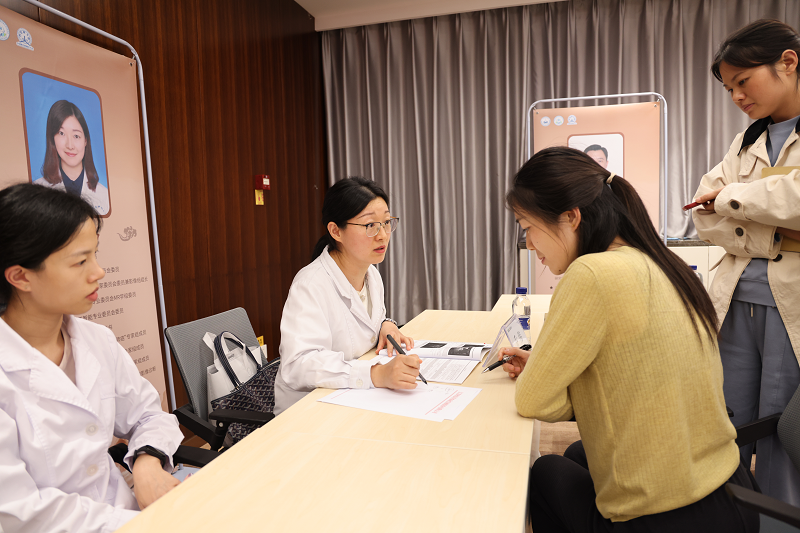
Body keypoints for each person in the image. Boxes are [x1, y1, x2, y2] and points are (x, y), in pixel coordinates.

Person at [497, 147, 758, 532]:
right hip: (733, 495)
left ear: (571, 217)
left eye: (527, 226)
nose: (530, 243)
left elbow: (534, 400)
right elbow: (631, 373)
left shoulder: (591, 273)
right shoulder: (662, 261)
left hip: (668, 518)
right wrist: (547, 368)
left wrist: (545, 376)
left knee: (546, 471)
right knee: (579, 453)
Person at [0, 183, 183, 533]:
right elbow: (21, 512)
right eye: (80, 261)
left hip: (127, 512)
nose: (98, 272)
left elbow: (148, 415)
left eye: (95, 255)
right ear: (20, 276)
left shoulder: (96, 340)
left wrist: (146, 462)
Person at [692, 19, 800, 506]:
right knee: (726, 424)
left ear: (788, 63)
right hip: (735, 300)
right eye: (729, 88)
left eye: (743, 81)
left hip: (790, 307)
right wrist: (780, 231)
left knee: (783, 433)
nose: (737, 96)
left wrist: (732, 200)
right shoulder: (746, 141)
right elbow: (704, 216)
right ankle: (725, 516)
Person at [274, 177, 419, 415]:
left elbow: (361, 321)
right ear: (335, 231)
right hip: (309, 411)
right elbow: (298, 365)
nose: (383, 235)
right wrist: (375, 374)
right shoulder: (310, 285)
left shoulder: (371, 274)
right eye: (370, 225)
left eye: (386, 222)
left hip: (355, 399)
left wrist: (385, 324)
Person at [34, 100, 110, 216]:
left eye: (76, 136)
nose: (70, 145)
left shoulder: (104, 195)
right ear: (52, 139)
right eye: (61, 133)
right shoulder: (38, 190)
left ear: (85, 140)